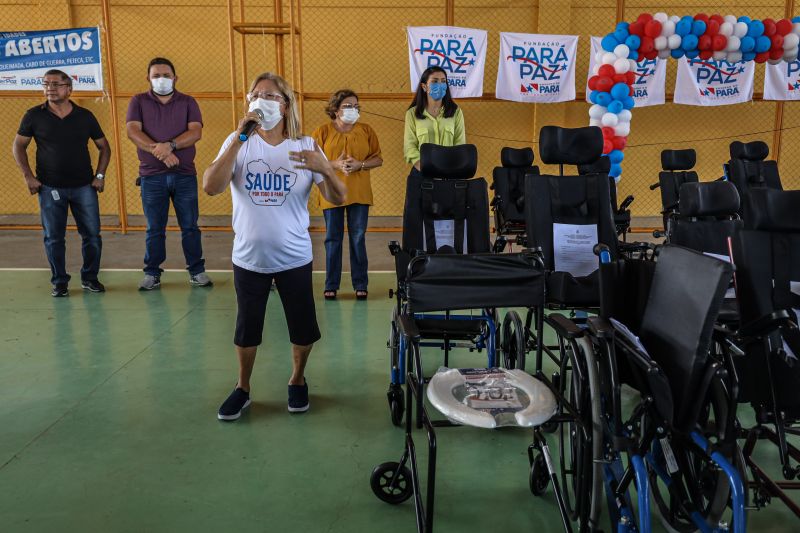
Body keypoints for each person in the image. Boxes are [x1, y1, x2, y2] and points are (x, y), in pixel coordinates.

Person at [203, 72, 346, 421]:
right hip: (249, 258)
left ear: (285, 105)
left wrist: (325, 168)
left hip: (294, 257)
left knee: (302, 326)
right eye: (256, 94)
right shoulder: (238, 141)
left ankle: (297, 378)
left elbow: (339, 197)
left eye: (270, 95)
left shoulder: (306, 146)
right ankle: (243, 387)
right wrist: (239, 138)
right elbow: (210, 186)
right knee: (246, 329)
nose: (261, 100)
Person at [12, 69, 111, 297]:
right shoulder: (33, 115)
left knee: (92, 236)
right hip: (49, 188)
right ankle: (59, 281)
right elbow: (18, 146)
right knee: (54, 238)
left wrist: (100, 176)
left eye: (56, 84)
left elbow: (104, 146)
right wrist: (29, 177)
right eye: (46, 84)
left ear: (69, 88)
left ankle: (90, 278)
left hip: (84, 187)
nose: (50, 88)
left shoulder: (85, 116)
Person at [126, 57, 212, 291]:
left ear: (175, 78)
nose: (161, 79)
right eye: (156, 75)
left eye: (166, 75)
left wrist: (170, 146)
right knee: (155, 228)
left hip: (184, 175)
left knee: (190, 226)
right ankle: (152, 273)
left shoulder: (188, 102)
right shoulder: (138, 101)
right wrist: (162, 153)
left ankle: (196, 270)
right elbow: (133, 132)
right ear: (148, 78)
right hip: (151, 177)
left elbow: (195, 132)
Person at [311, 90, 382, 301]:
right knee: (333, 239)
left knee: (358, 238)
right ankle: (331, 284)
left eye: (356, 106)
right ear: (335, 109)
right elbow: (314, 161)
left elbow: (378, 159)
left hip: (359, 194)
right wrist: (335, 164)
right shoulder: (322, 132)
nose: (353, 110)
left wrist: (360, 165)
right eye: (348, 106)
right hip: (331, 194)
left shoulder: (366, 130)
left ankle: (361, 283)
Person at [403, 66, 466, 177]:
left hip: (449, 172)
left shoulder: (456, 112)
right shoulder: (412, 113)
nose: (440, 85)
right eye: (434, 81)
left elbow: (460, 144)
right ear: (424, 87)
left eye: (443, 81)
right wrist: (423, 166)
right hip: (422, 171)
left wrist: (451, 168)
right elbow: (410, 146)